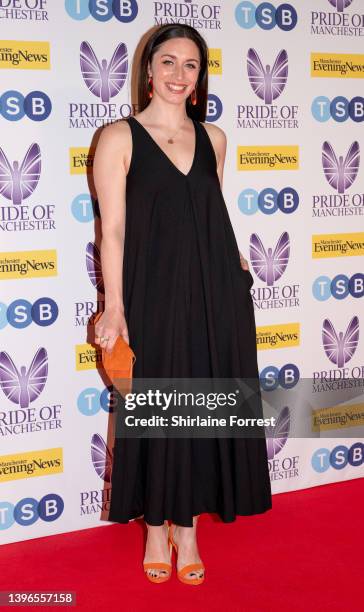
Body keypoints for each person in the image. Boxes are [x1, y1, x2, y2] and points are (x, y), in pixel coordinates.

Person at [93, 23, 272, 585]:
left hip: (214, 290)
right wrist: (115, 306)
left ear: (201, 76)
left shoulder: (214, 138)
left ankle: (187, 526)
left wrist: (236, 261)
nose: (177, 74)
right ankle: (154, 526)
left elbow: (211, 212)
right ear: (147, 70)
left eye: (190, 65)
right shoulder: (118, 138)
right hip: (150, 289)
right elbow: (113, 231)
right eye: (167, 62)